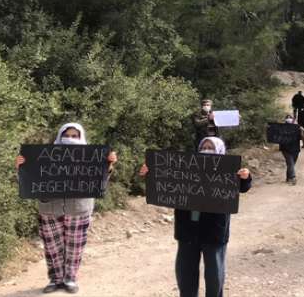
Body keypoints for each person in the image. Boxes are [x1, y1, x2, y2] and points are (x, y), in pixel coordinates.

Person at [139, 137, 252, 297]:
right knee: (185, 273)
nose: (206, 149)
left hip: (213, 233)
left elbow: (243, 187)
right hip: (187, 231)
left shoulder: (227, 168)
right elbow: (165, 181)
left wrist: (245, 177)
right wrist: (150, 173)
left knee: (214, 275)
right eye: (204, 146)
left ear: (220, 149)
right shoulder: (186, 168)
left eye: (210, 147)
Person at [15, 123, 118, 294]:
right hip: (49, 207)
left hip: (79, 208)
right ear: (60, 135)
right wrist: (21, 167)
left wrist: (108, 164)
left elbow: (101, 181)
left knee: (75, 246)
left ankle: (70, 278)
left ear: (81, 137)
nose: (70, 138)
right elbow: (29, 181)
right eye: (67, 135)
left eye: (74, 136)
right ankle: (55, 279)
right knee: (52, 247)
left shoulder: (91, 156)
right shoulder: (43, 156)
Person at [281, 115, 301, 185]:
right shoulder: (281, 128)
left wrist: (302, 131)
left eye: (290, 118)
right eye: (288, 118)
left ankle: (288, 177)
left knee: (291, 164)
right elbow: (275, 136)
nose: (289, 119)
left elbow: (301, 137)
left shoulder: (297, 128)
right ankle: (293, 177)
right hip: (286, 149)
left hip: (295, 149)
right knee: (290, 163)